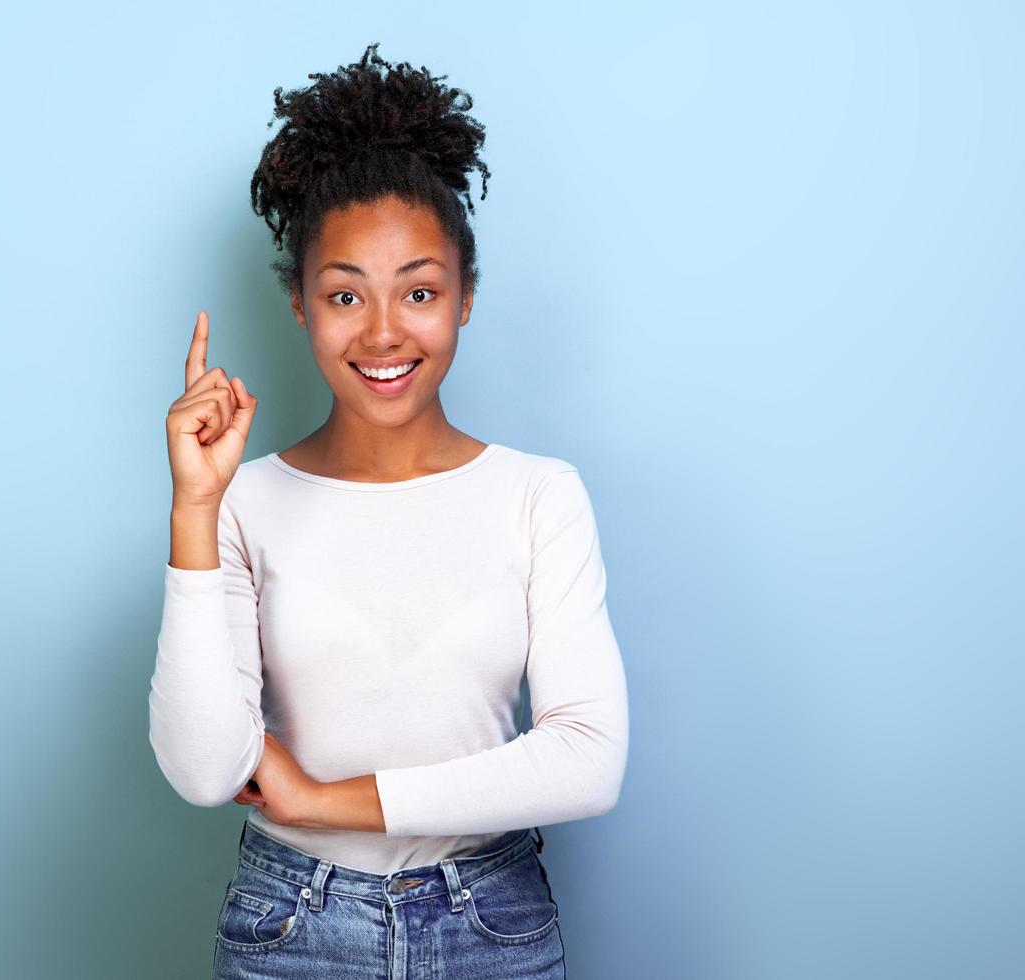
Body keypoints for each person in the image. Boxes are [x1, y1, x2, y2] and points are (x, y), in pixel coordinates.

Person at [150, 42, 628, 979]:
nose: (382, 333)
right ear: (298, 303)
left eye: (418, 291)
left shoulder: (539, 496)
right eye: (343, 295)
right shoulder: (242, 501)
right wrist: (195, 509)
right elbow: (205, 771)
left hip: (492, 922)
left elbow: (587, 759)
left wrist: (321, 799)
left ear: (464, 300)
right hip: (292, 925)